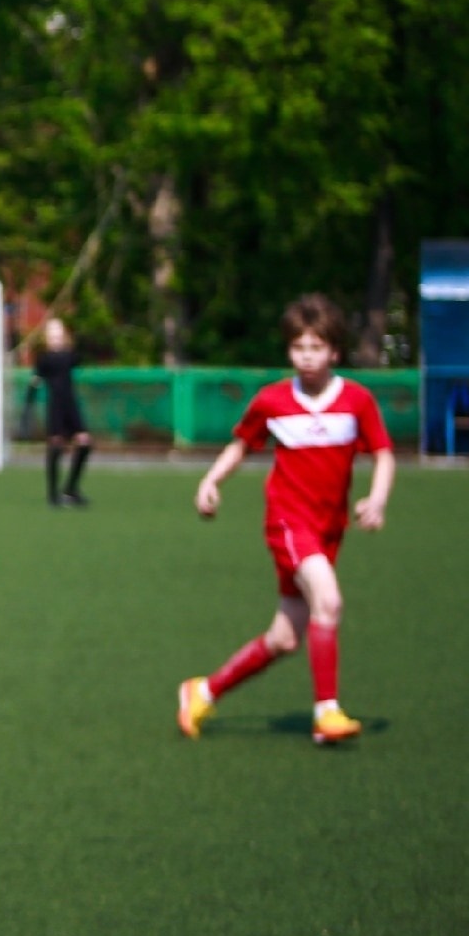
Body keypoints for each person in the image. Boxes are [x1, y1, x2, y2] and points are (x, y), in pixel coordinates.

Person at [179, 296, 396, 748]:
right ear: (289, 352)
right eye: (299, 348)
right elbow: (242, 444)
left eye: (317, 347)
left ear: (335, 351)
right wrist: (212, 479)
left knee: (284, 637)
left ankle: (203, 691)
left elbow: (383, 453)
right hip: (287, 523)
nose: (307, 357)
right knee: (330, 601)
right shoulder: (273, 400)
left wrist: (376, 499)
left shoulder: (356, 400)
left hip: (328, 528)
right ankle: (327, 714)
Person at [29, 317, 92, 507]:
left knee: (84, 443)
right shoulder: (44, 359)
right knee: (56, 446)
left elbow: (82, 355)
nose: (56, 338)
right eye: (52, 334)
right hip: (55, 407)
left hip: (70, 405)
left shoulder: (70, 355)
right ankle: (52, 494)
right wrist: (28, 405)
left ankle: (71, 488)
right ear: (47, 338)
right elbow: (36, 381)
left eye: (59, 333)